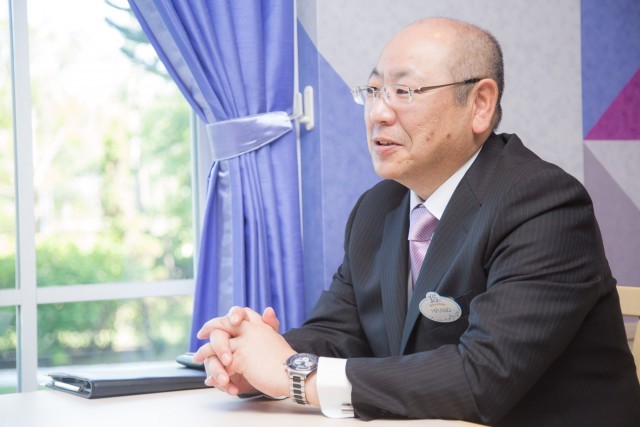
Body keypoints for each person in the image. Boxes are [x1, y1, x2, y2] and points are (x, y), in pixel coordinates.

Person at [192, 17, 640, 426]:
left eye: (404, 92)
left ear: (480, 104)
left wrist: (295, 374)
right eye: (373, 91)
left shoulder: (544, 203)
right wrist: (251, 362)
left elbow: (481, 378)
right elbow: (339, 333)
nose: (378, 113)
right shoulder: (377, 208)